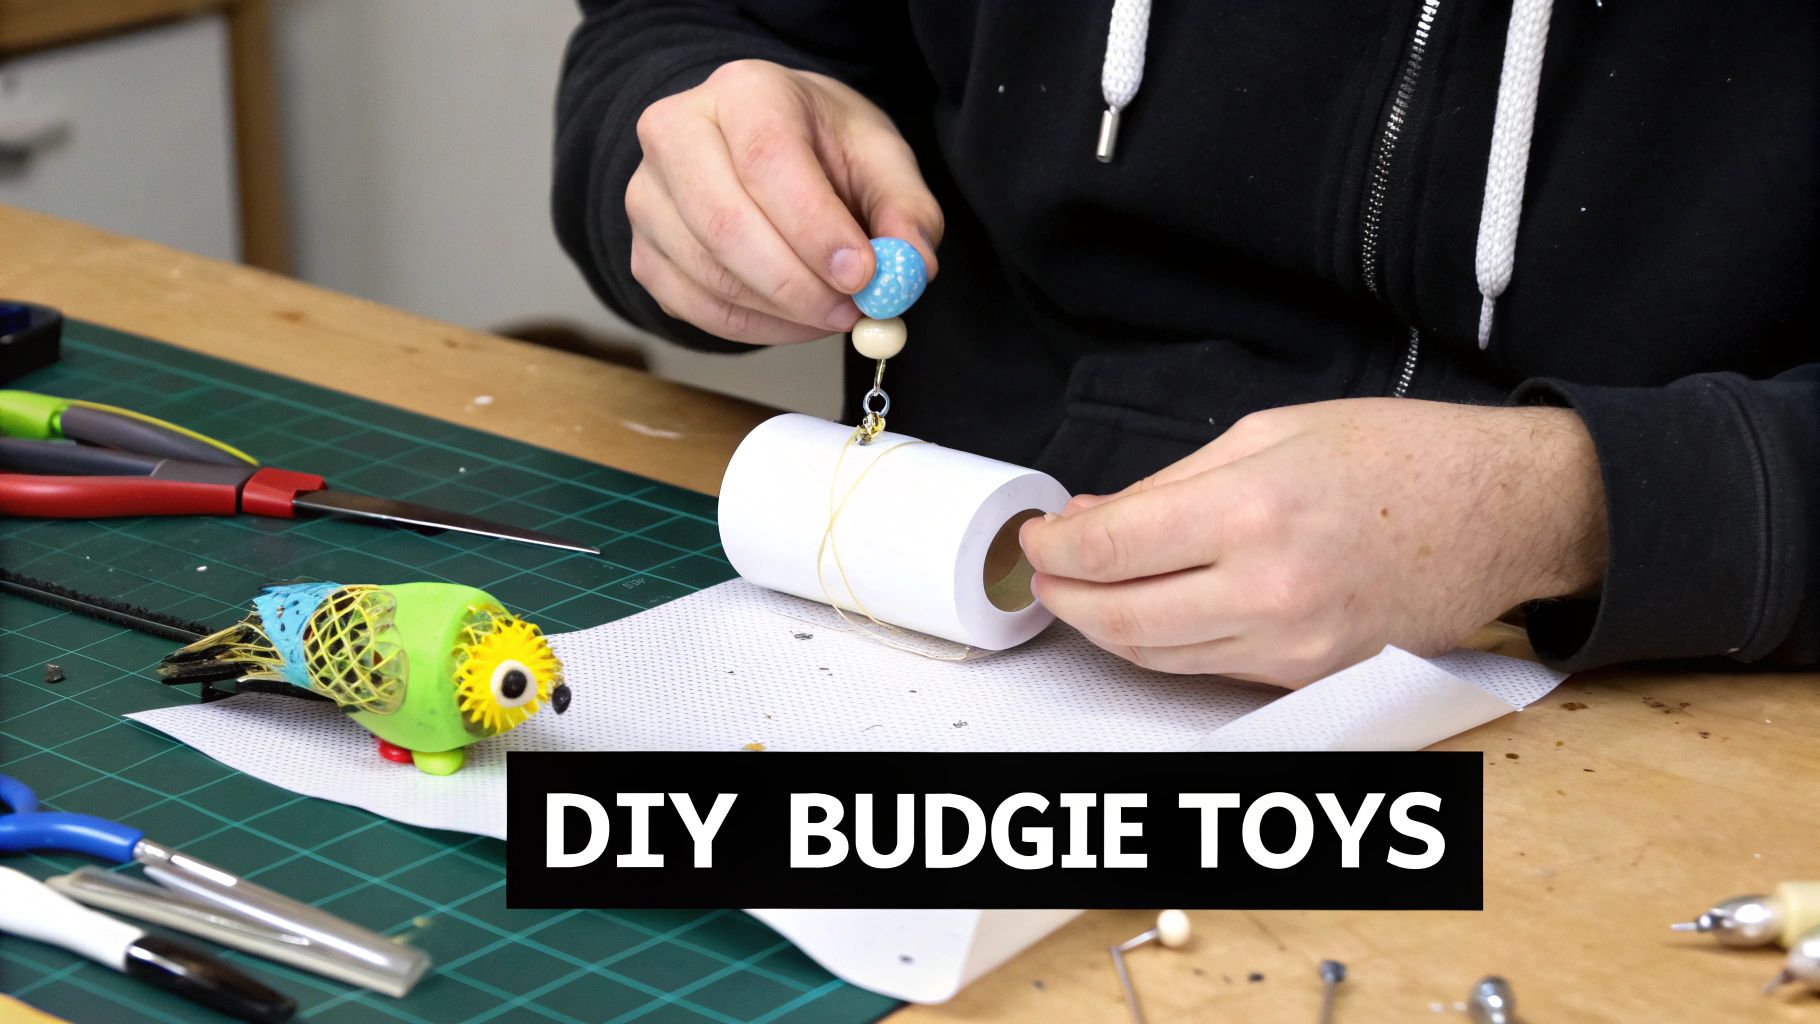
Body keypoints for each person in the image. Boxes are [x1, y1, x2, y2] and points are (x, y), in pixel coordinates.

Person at [553, 1, 1817, 686]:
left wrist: (1583, 505)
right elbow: (693, 23)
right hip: (944, 648)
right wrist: (695, 130)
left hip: (1667, 686)